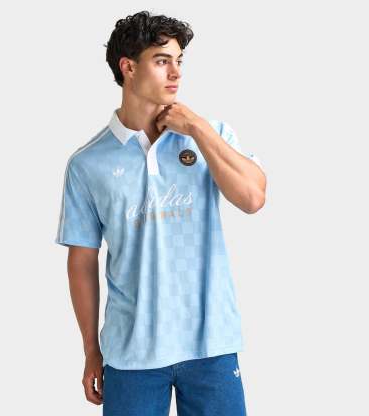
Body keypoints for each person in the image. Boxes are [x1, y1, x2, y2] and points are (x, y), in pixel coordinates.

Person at [55, 10, 266, 416]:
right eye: (162, 60)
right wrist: (91, 351)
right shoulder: (87, 163)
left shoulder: (211, 136)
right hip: (131, 353)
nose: (176, 73)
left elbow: (253, 198)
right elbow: (81, 262)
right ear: (128, 67)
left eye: (179, 61)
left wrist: (198, 128)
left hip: (211, 346)